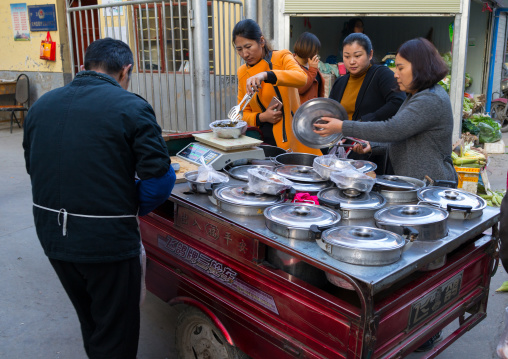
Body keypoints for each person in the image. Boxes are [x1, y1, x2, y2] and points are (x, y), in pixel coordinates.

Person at [23, 38, 176, 358]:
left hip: (53, 237)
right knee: (116, 332)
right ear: (126, 70)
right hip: (107, 243)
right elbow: (159, 180)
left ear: (84, 66)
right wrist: (129, 206)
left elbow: (33, 167)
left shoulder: (41, 106)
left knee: (92, 320)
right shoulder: (131, 106)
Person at [314, 37, 458, 183]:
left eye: (401, 68)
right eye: (347, 56)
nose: (395, 74)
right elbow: (405, 137)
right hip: (415, 181)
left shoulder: (430, 98)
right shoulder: (417, 95)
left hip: (429, 184)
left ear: (420, 67)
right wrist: (373, 145)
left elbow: (393, 129)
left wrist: (342, 126)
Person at [232, 19, 322, 155]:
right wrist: (262, 117)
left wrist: (266, 75)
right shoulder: (242, 72)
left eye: (248, 47)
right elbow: (241, 114)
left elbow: (301, 78)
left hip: (291, 140)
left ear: (261, 41)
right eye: (239, 49)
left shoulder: (282, 57)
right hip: (259, 142)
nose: (245, 54)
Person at [328, 33, 405, 173]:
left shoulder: (381, 74)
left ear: (370, 54)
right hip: (344, 153)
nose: (351, 61)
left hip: (372, 148)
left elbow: (398, 101)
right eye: (347, 56)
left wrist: (365, 121)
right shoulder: (340, 82)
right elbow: (332, 112)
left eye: (357, 56)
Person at [293, 32, 325, 104]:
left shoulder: (310, 63)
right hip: (302, 111)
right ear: (308, 50)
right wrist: (312, 70)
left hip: (314, 109)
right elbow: (300, 88)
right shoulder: (292, 64)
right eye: (315, 51)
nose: (316, 54)